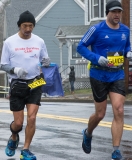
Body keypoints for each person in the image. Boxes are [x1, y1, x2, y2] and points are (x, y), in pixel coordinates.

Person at [77, 0, 132, 159]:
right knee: (100, 114)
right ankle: (88, 133)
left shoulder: (125, 30)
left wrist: (128, 53)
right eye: (114, 12)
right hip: (98, 74)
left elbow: (126, 46)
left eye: (119, 12)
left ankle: (116, 150)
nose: (117, 15)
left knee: (119, 110)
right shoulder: (96, 29)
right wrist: (96, 58)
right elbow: (80, 47)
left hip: (117, 74)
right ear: (107, 13)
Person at [0, 10, 50, 160]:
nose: (28, 29)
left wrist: (46, 61)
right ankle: (14, 136)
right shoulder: (9, 42)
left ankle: (26, 150)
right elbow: (3, 65)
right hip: (17, 83)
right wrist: (15, 69)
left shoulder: (39, 41)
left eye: (30, 26)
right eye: (25, 26)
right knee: (18, 122)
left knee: (32, 118)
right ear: (19, 26)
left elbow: (44, 59)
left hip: (36, 80)